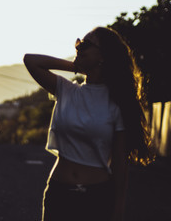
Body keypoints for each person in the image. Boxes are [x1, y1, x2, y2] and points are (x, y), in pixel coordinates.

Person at [23, 27, 154, 221]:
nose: (79, 47)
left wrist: (117, 211)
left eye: (86, 44)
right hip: (59, 192)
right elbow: (31, 60)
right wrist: (78, 66)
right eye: (78, 43)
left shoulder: (117, 103)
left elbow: (120, 164)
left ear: (104, 55)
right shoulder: (66, 90)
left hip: (97, 197)